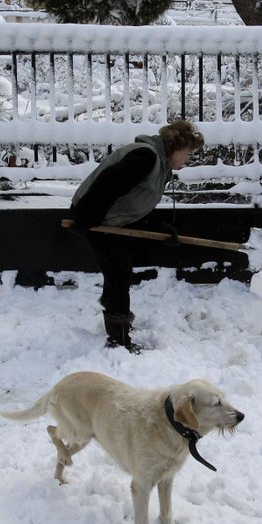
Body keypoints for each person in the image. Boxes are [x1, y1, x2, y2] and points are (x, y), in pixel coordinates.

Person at [66, 119, 204, 352]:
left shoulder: (160, 165)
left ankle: (116, 319)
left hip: (111, 218)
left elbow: (135, 204)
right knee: (119, 270)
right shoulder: (146, 157)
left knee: (119, 269)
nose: (187, 159)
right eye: (188, 153)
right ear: (176, 147)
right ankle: (118, 339)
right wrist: (86, 216)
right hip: (94, 216)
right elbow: (109, 183)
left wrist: (161, 228)